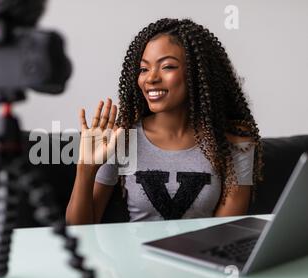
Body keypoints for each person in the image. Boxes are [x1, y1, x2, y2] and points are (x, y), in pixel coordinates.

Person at [66, 18, 263, 225]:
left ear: (197, 73)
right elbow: (79, 231)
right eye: (144, 69)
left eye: (167, 66)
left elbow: (226, 231)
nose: (150, 78)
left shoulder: (233, 140)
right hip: (134, 256)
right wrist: (86, 169)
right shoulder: (121, 138)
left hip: (198, 256)